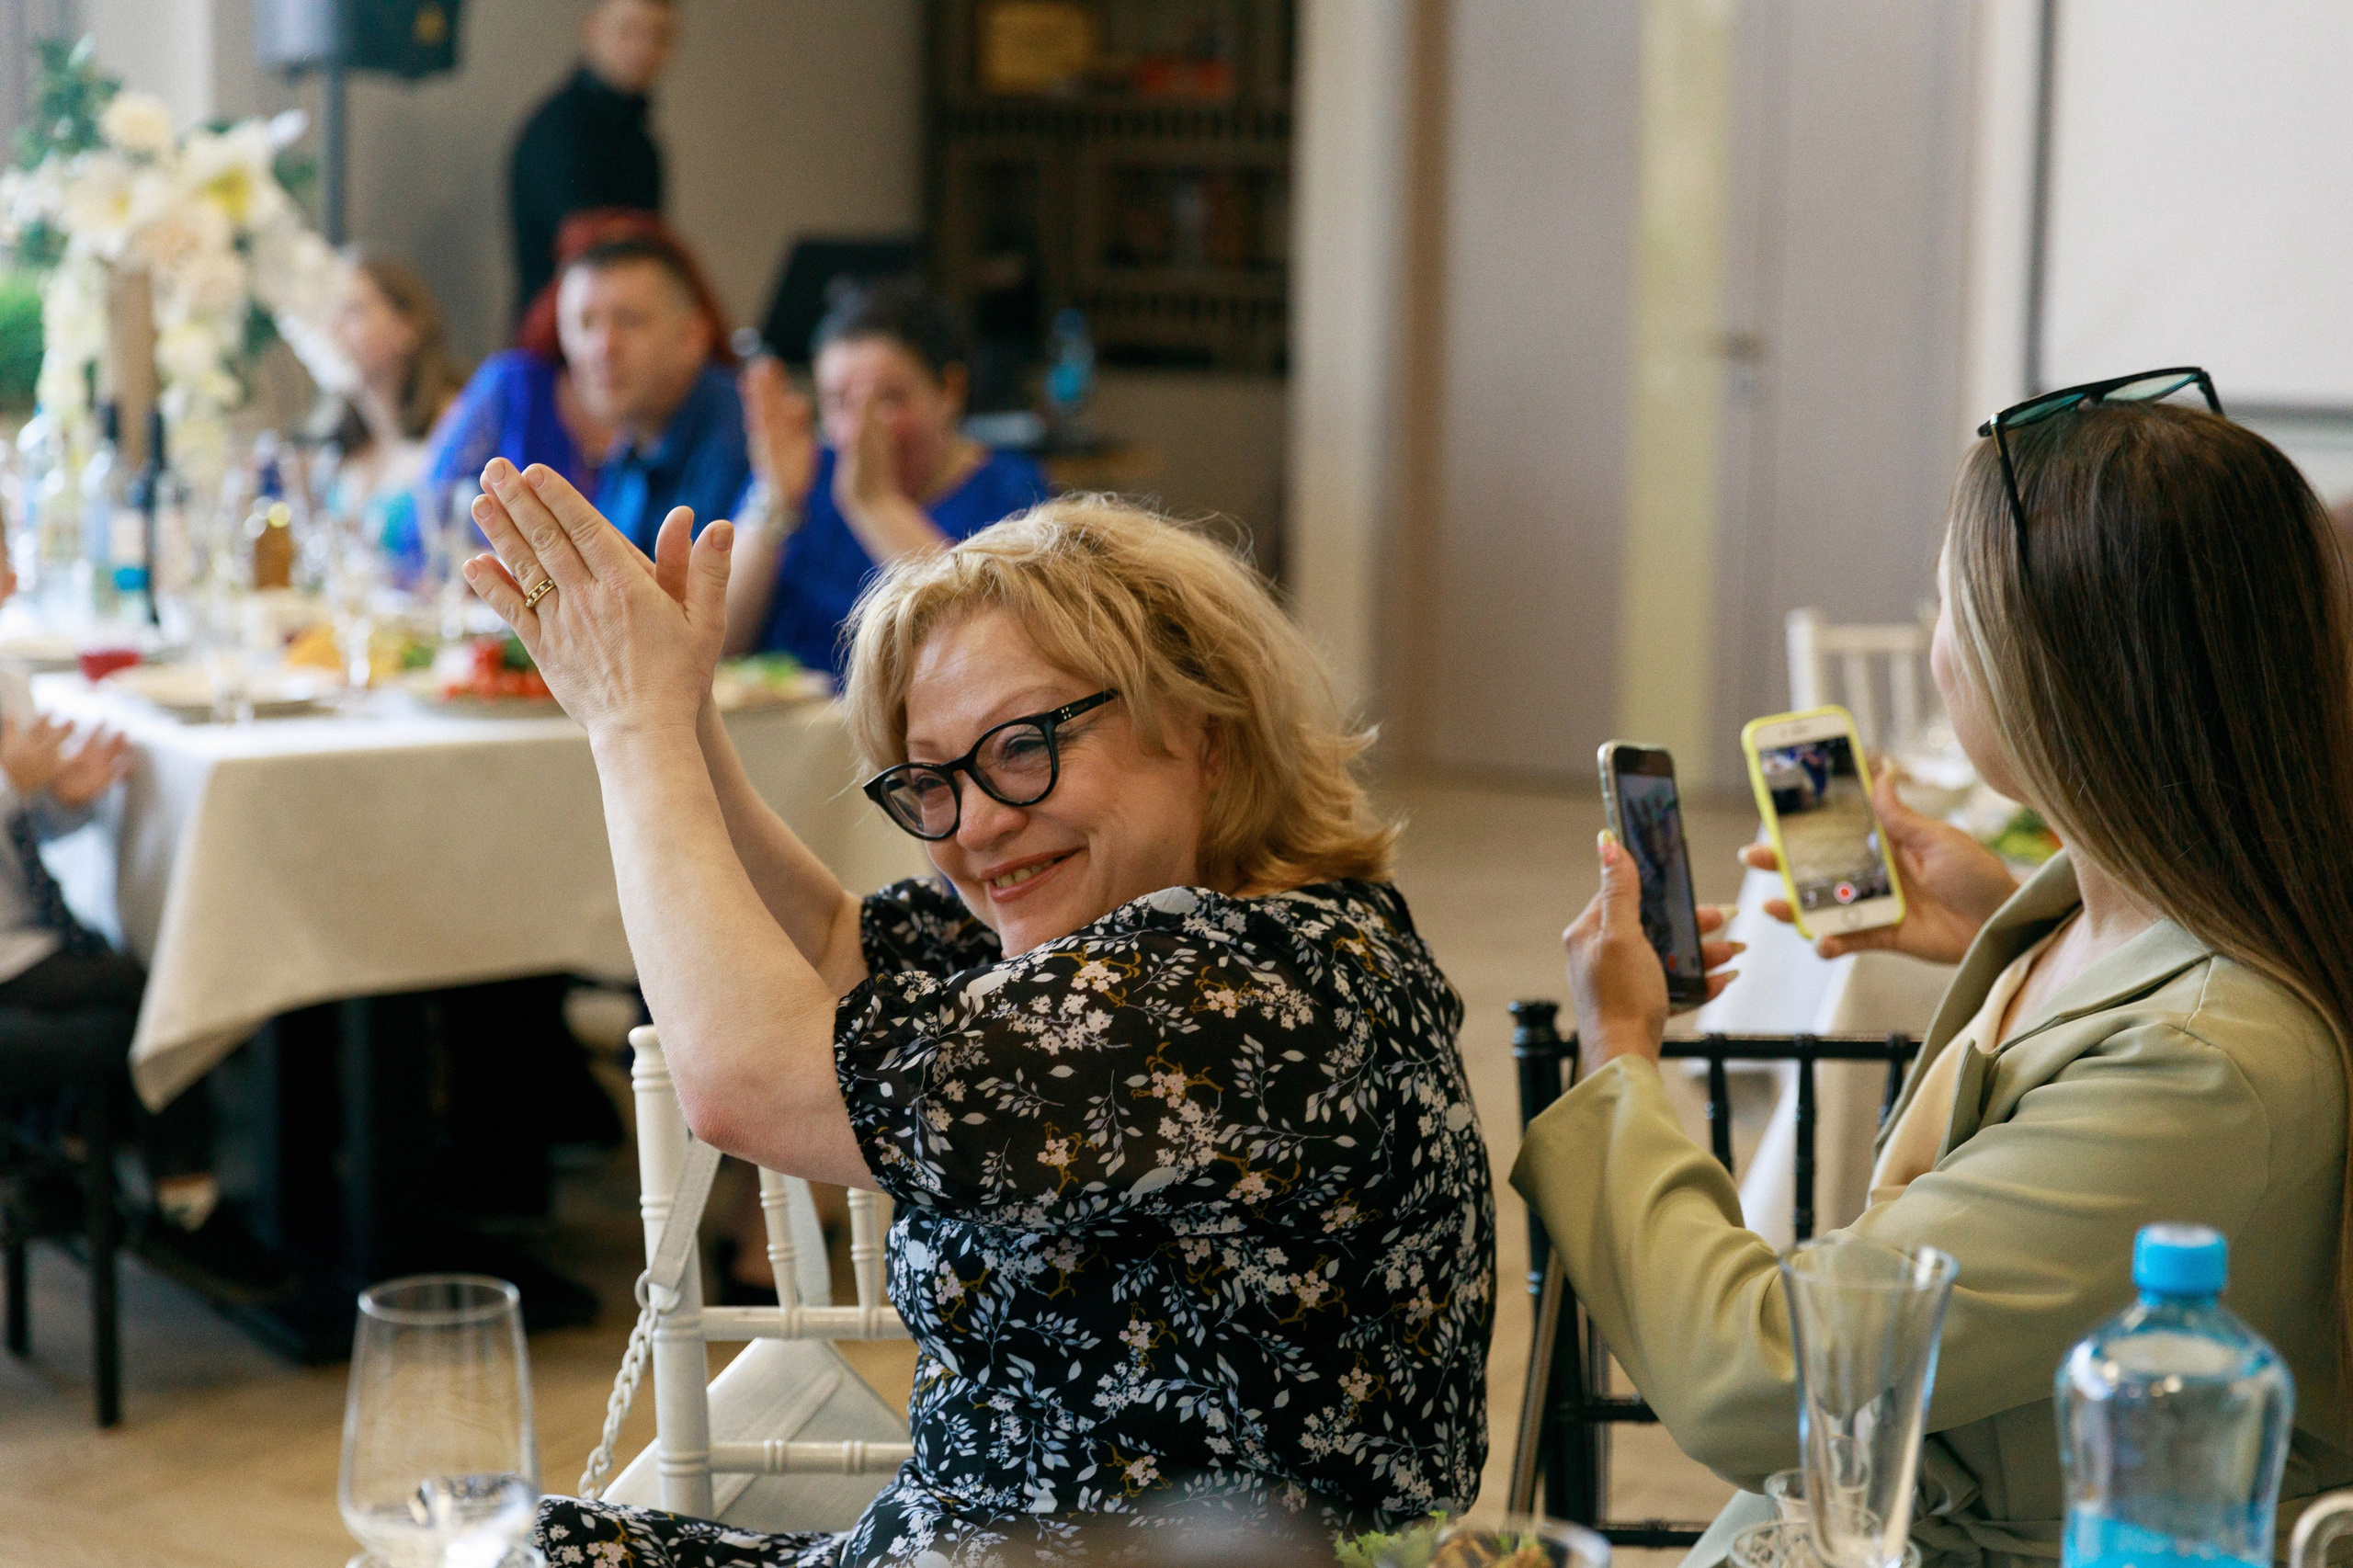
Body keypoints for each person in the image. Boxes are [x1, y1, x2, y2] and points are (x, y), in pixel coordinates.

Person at [458, 466, 1495, 1563]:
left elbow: (750, 1080)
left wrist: (636, 726)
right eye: (933, 779)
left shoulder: (1233, 999)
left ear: (1203, 727)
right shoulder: (1177, 922)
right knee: (499, 1539)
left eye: (1022, 745)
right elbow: (826, 950)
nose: (977, 826)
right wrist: (679, 709)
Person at [1518, 381, 2353, 1564]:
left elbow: (1759, 1372)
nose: (1933, 643)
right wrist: (2000, 933)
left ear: (2052, 670)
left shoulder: (2205, 1067)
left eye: (1948, 607)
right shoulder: (2158, 918)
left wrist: (1621, 1055)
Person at [0, 563, 287, 1301]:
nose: (12, 576)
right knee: (170, 981)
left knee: (156, 965)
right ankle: (182, 1203)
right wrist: (11, 780)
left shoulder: (9, 674)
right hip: (8, 954)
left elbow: (25, 827)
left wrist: (66, 797)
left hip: (26, 934)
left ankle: (67, 1154)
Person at [725, 278, 1051, 680]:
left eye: (889, 399)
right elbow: (721, 643)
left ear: (950, 390)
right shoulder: (804, 471)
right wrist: (775, 499)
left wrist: (876, 505)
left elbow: (988, 653)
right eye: (839, 401)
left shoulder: (1010, 492)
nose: (857, 430)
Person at [560, 233, 747, 557]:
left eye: (629, 321)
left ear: (691, 338)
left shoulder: (742, 438)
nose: (603, 347)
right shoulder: (634, 439)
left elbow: (695, 603)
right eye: (585, 324)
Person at [508, 0, 676, 320]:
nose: (643, 49)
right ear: (592, 30)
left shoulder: (641, 141)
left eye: (659, 36)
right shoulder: (559, 129)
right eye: (629, 32)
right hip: (561, 338)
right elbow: (590, 243)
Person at [313, 256, 464, 559]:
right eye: (330, 312)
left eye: (353, 311)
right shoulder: (341, 446)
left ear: (407, 327)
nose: (333, 329)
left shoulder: (456, 424)